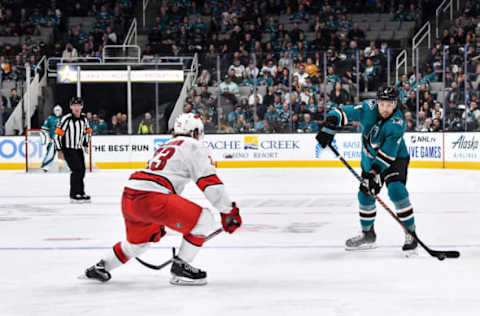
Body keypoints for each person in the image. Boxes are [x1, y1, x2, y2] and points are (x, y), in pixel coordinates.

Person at [82, 113, 242, 285]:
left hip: (130, 195)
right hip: (151, 198)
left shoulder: (166, 144)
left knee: (137, 244)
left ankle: (102, 266)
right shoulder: (194, 146)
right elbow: (209, 182)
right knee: (204, 220)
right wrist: (228, 211)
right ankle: (181, 268)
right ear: (196, 132)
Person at [315, 87, 418, 256]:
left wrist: (373, 174)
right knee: (365, 194)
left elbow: (387, 156)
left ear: (395, 105)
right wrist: (329, 126)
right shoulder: (367, 108)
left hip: (395, 159)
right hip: (369, 159)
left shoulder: (397, 123)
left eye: (389, 105)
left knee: (396, 190)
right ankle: (368, 234)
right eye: (382, 104)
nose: (385, 108)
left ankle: (411, 233)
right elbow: (341, 112)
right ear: (377, 102)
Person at [54, 97, 92, 203]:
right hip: (68, 149)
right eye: (74, 105)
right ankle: (74, 193)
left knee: (82, 170)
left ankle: (81, 192)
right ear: (71, 107)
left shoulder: (84, 119)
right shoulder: (66, 119)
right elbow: (57, 135)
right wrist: (59, 150)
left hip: (78, 148)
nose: (77, 108)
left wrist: (85, 144)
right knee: (76, 170)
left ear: (82, 107)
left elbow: (88, 131)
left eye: (79, 105)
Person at [40, 105, 63, 172]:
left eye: (59, 110)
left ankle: (71, 166)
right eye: (56, 110)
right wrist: (47, 138)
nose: (57, 112)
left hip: (62, 140)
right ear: (53, 111)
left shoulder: (64, 118)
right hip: (53, 140)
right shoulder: (50, 118)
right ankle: (45, 166)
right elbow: (44, 129)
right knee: (50, 153)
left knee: (68, 153)